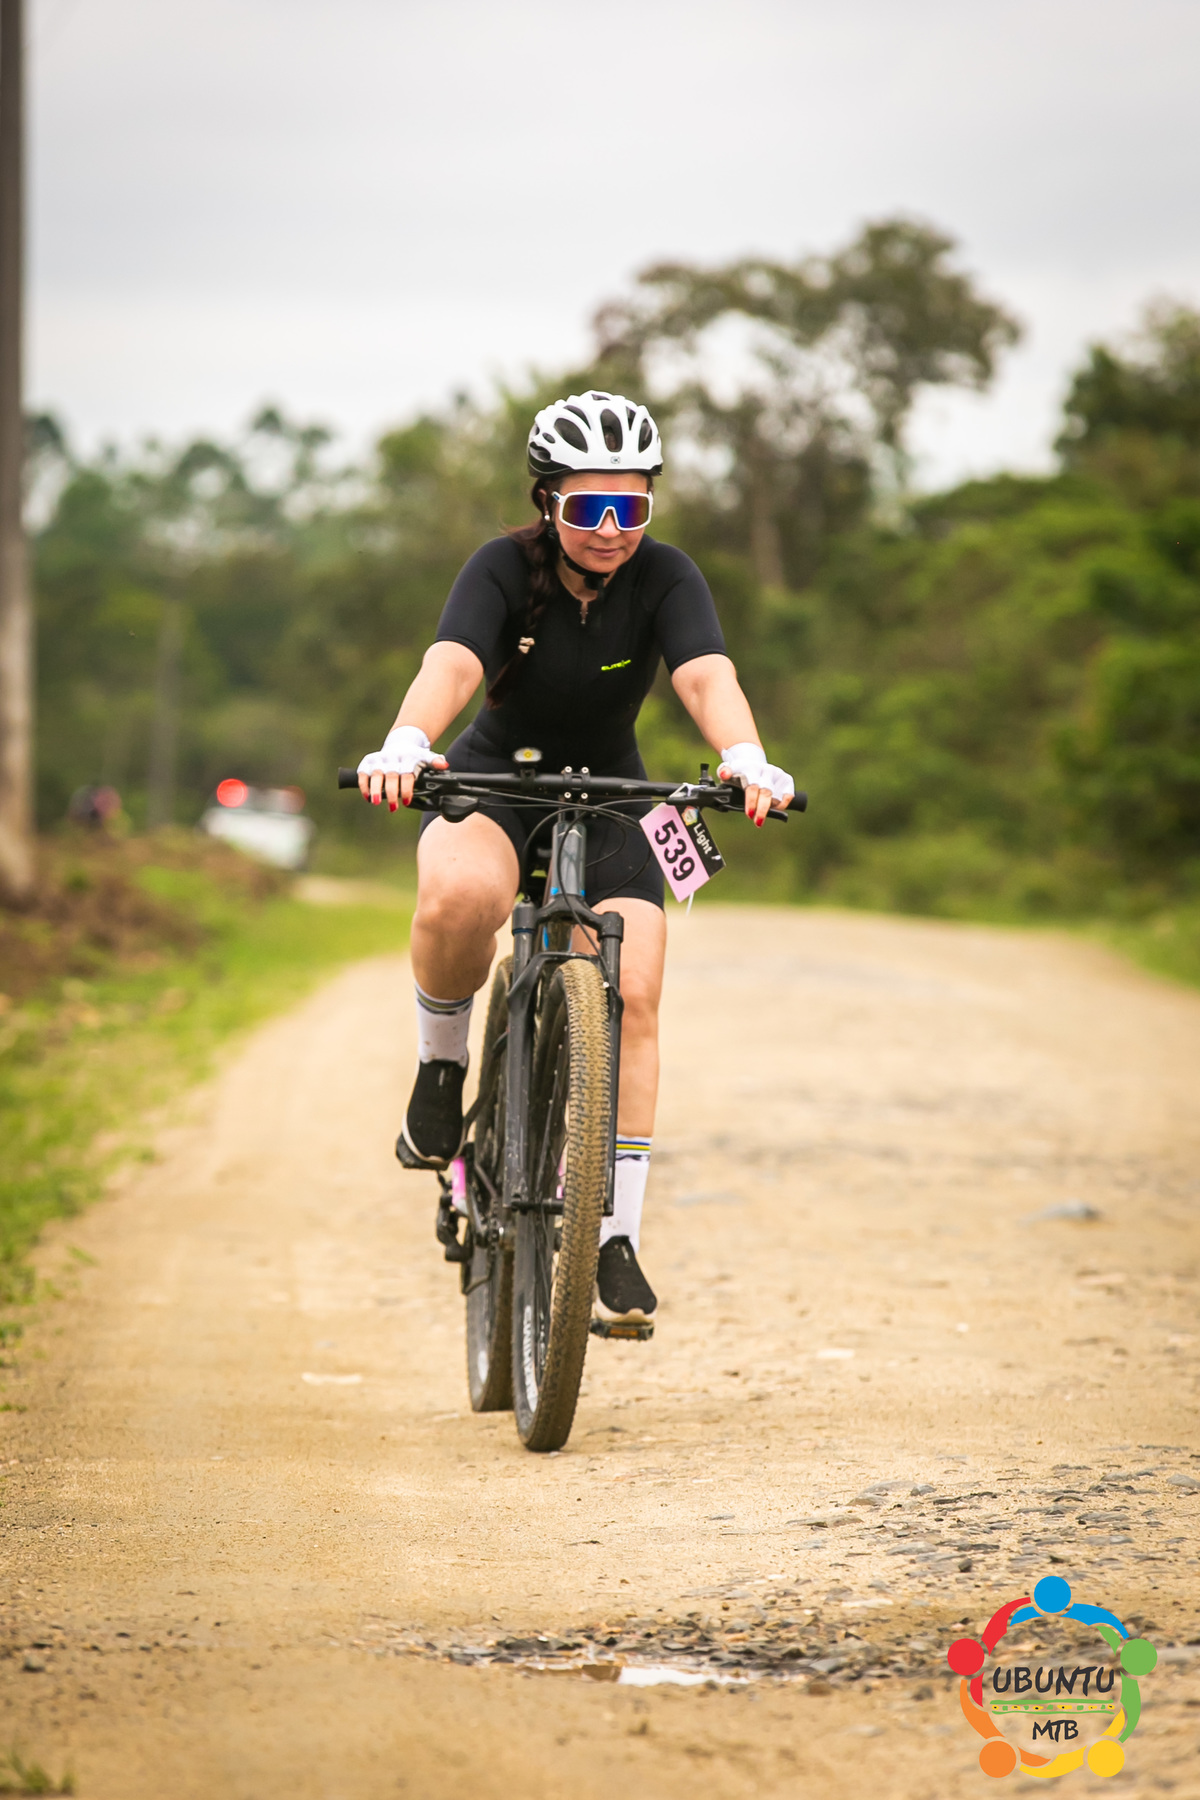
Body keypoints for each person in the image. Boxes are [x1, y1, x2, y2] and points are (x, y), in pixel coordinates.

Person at [358, 391, 794, 1326]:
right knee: (462, 897)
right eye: (588, 506)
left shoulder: (667, 577)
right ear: (547, 500)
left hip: (612, 796)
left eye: (630, 506)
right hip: (496, 782)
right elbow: (454, 662)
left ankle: (613, 1238)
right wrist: (406, 740)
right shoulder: (501, 568)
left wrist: (745, 755)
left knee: (634, 990)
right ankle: (442, 1071)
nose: (609, 528)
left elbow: (704, 674)